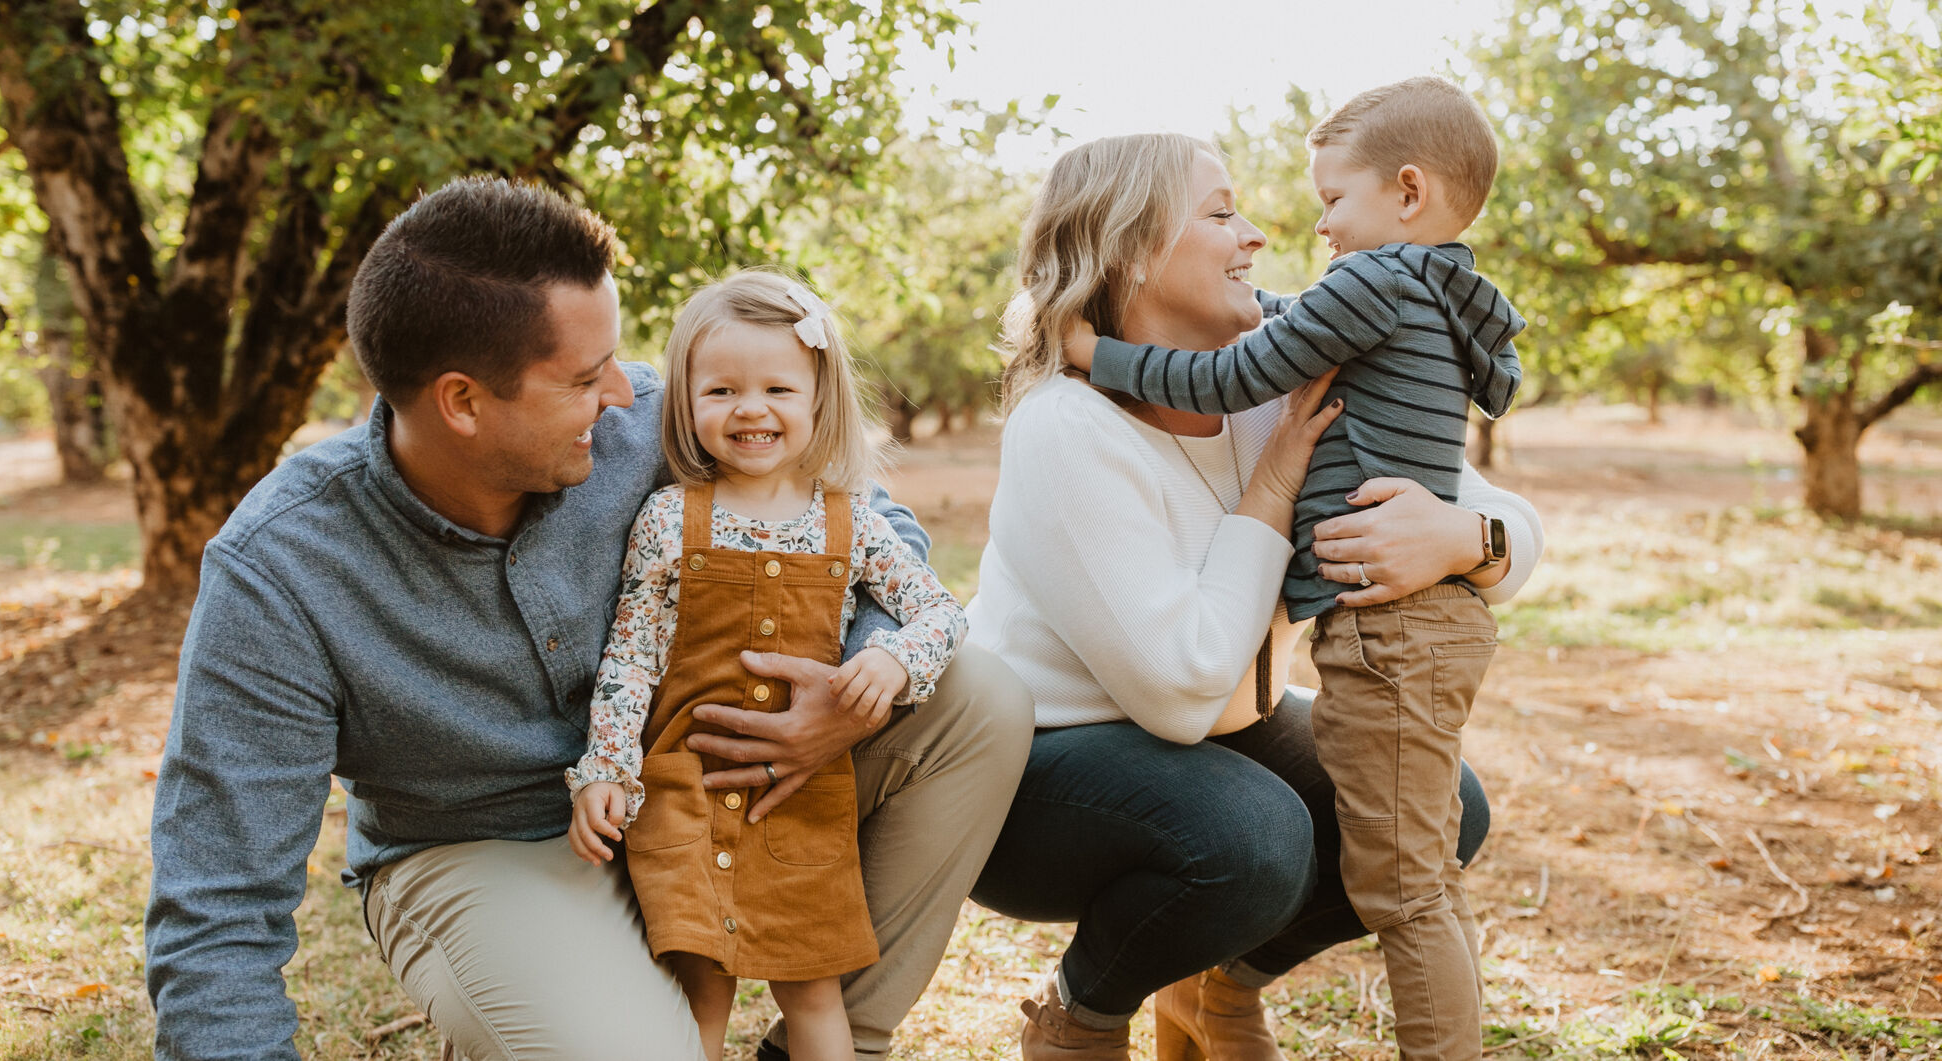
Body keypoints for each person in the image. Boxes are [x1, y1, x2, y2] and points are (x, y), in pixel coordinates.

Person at [144, 179, 1033, 1061]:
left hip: (703, 773)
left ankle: (836, 1042)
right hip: (490, 845)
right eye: (582, 375)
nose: (625, 390)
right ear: (462, 402)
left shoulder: (659, 420)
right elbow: (216, 905)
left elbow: (872, 521)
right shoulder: (281, 567)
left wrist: (851, 682)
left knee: (978, 700)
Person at [967, 133, 1544, 1061]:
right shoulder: (1065, 427)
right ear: (1130, 246)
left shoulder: (1269, 379)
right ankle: (1081, 1009)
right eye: (1223, 211)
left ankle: (1215, 988)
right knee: (1253, 838)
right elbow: (1183, 686)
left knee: (1446, 806)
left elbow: (1504, 521)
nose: (1262, 235)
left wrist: (1466, 538)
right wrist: (1272, 490)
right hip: (1037, 775)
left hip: (1216, 739)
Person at [567, 272, 968, 1061]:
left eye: (777, 387)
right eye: (720, 389)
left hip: (800, 801)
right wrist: (607, 767)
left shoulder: (849, 520)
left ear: (820, 398)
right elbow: (631, 656)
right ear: (685, 403)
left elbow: (940, 613)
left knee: (813, 988)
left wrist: (890, 658)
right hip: (685, 787)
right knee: (698, 983)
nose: (749, 408)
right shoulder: (668, 519)